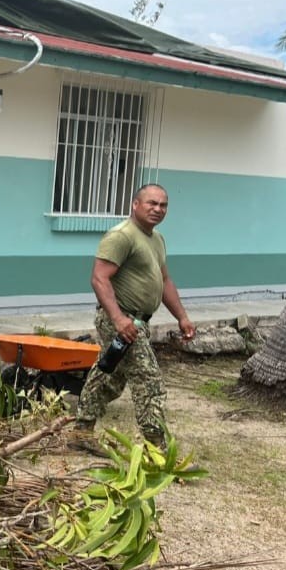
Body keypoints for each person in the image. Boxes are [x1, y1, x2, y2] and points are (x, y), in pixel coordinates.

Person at [70, 183, 195, 451]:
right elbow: (99, 278)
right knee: (149, 381)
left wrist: (182, 317)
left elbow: (164, 280)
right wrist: (118, 319)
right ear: (135, 204)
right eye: (152, 203)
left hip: (139, 322)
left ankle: (81, 434)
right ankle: (158, 450)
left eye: (163, 205)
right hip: (121, 321)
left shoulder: (156, 239)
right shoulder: (121, 236)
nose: (158, 209)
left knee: (109, 377)